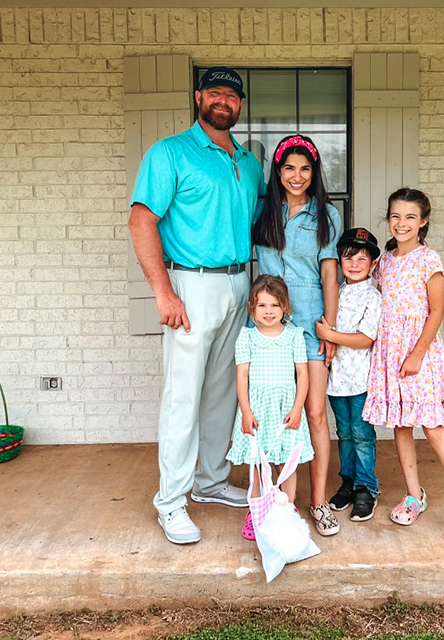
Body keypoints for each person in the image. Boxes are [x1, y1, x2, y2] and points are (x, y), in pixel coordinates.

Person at [128, 66, 266, 545]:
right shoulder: (170, 152)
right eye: (215, 92)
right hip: (191, 284)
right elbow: (141, 220)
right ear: (198, 97)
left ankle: (209, 482)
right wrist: (164, 292)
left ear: (239, 104)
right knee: (183, 396)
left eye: (232, 94)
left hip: (238, 283)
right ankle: (171, 501)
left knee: (223, 392)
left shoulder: (248, 162)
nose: (223, 100)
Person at [362, 188, 444, 551]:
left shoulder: (428, 259)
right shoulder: (384, 263)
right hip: (390, 352)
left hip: (420, 352)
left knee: (435, 430)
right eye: (395, 216)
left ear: (423, 221)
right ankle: (412, 494)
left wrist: (417, 353)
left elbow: (436, 311)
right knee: (401, 427)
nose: (401, 223)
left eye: (409, 217)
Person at [252, 134, 342, 536]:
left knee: (315, 414)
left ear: (314, 173)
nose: (297, 176)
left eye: (305, 169)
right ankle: (275, 499)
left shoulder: (326, 215)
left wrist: (331, 330)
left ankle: (318, 501)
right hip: (270, 325)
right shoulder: (261, 211)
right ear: (278, 170)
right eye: (289, 167)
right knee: (274, 413)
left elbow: (329, 274)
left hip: (309, 322)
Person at [226, 275, 313, 541]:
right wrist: (246, 411)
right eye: (262, 305)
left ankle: (286, 508)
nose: (268, 311)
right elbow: (241, 376)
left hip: (286, 408)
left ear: (285, 307)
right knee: (257, 463)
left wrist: (298, 408)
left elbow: (303, 374)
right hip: (258, 410)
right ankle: (256, 511)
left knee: (286, 462)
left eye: (274, 305)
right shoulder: (247, 337)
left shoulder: (294, 336)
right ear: (252, 307)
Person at [315, 228, 382, 522]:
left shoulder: (373, 296)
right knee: (343, 433)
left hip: (361, 380)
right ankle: (348, 482)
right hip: (336, 379)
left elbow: (365, 339)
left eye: (362, 259)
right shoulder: (336, 292)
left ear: (373, 264)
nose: (354, 264)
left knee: (362, 434)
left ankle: (366, 487)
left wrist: (330, 334)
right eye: (348, 258)